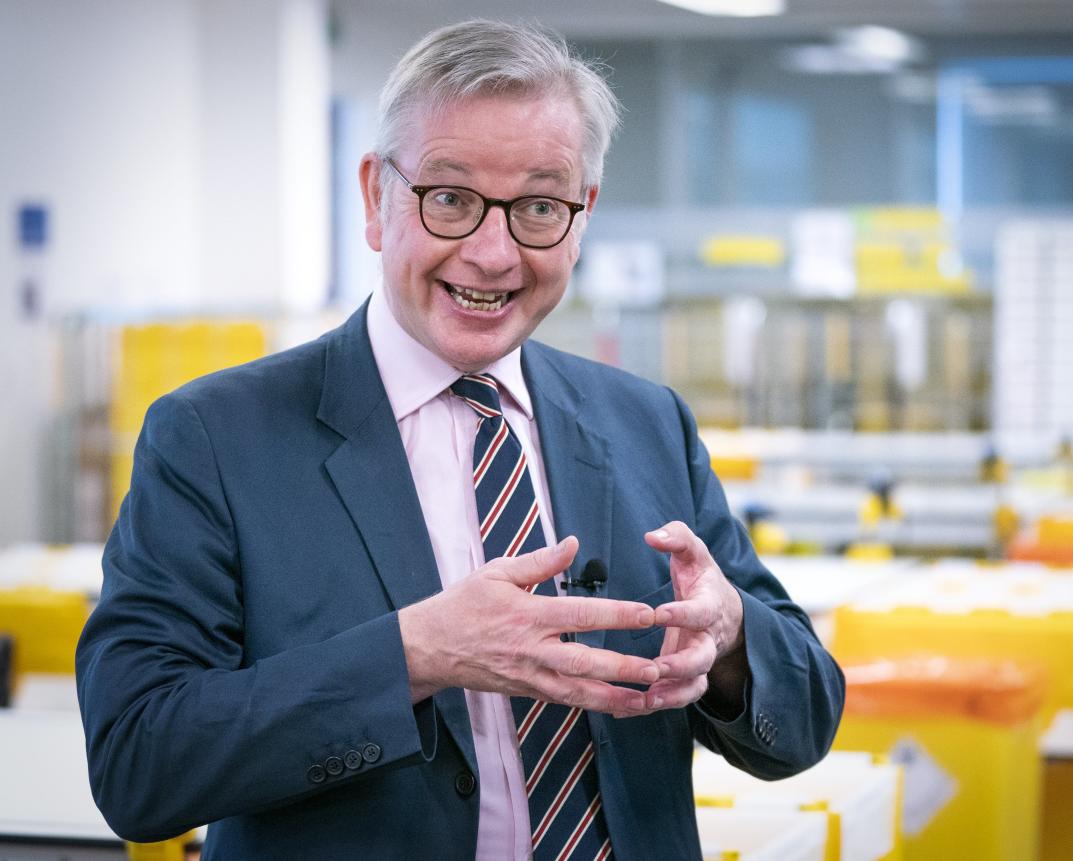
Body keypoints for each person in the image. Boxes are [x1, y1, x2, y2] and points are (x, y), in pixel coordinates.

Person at [76, 19, 844, 861]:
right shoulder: (214, 438)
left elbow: (804, 718)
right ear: (376, 197)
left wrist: (730, 637)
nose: (491, 252)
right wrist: (416, 654)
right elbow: (139, 763)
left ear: (582, 216)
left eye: (539, 208)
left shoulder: (645, 422)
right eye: (449, 199)